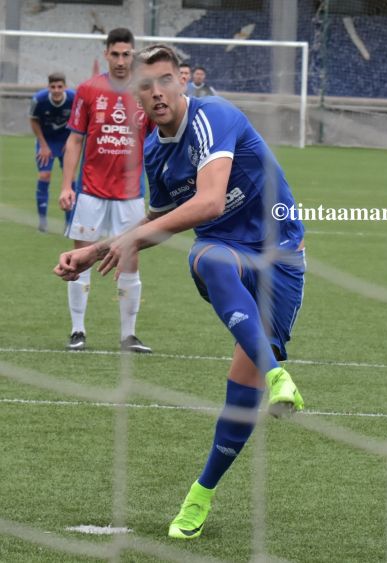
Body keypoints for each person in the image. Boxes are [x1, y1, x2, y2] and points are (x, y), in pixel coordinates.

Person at [53, 43, 306, 540]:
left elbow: (210, 202)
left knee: (239, 399)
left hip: (282, 259)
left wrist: (124, 241)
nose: (156, 92)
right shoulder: (154, 150)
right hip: (226, 257)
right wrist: (94, 250)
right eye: (145, 86)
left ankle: (203, 489)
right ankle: (277, 377)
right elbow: (160, 219)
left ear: (182, 82)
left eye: (165, 80)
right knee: (207, 255)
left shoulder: (214, 117)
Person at [58, 28, 152, 353]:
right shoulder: (87, 90)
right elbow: (74, 140)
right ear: (106, 54)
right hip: (91, 193)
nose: (122, 60)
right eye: (116, 54)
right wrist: (66, 185)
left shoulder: (145, 91)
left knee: (130, 261)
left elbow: (156, 143)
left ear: (134, 55)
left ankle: (128, 335)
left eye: (127, 54)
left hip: (131, 195)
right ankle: (77, 331)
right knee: (79, 259)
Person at [29, 71, 76, 233]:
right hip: (46, 142)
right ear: (48, 87)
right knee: (44, 175)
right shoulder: (39, 100)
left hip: (66, 143)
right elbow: (33, 120)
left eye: (59, 86)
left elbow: (79, 119)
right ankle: (42, 222)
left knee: (70, 179)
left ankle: (69, 224)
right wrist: (43, 145)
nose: (56, 90)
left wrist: (71, 141)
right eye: (53, 87)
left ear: (65, 87)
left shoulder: (73, 98)